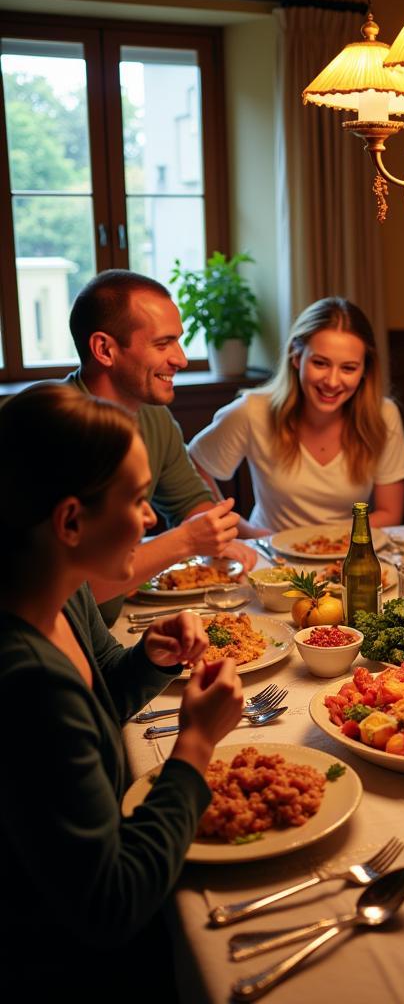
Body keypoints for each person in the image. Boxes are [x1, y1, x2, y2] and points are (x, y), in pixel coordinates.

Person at [0, 383, 245, 995]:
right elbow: (111, 907)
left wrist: (150, 661)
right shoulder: (25, 682)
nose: (149, 519)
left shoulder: (60, 588)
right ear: (71, 520)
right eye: (136, 500)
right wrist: (194, 745)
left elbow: (101, 693)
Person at [67, 269, 257, 623]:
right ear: (104, 349)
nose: (181, 360)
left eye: (178, 341)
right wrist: (186, 541)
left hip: (115, 624)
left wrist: (214, 531)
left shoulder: (154, 418)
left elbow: (190, 503)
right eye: (162, 343)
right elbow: (74, 587)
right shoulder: (54, 428)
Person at [188, 296, 404, 533]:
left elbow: (390, 514)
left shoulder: (384, 414)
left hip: (347, 554)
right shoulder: (251, 411)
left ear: (365, 370)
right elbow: (192, 469)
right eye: (320, 363)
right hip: (271, 559)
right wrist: (248, 533)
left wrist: (321, 543)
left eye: (348, 368)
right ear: (296, 357)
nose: (332, 381)